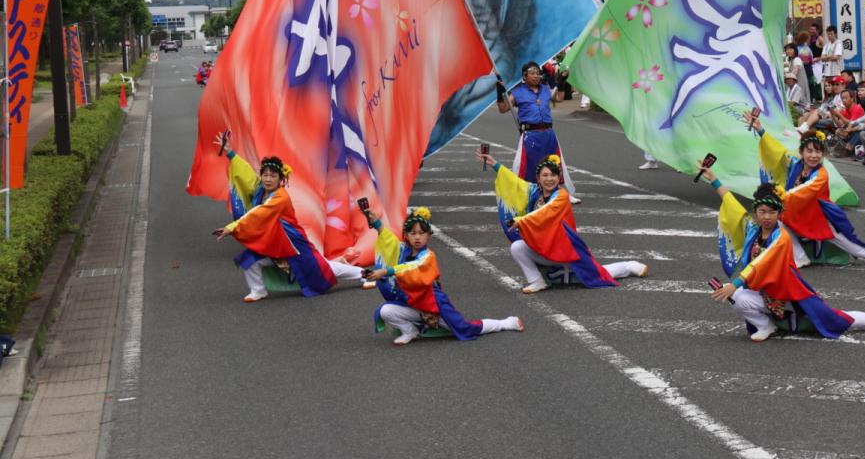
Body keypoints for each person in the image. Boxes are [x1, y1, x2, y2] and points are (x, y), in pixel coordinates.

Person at [699, 166, 865, 342]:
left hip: (790, 294)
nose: (766, 217)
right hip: (765, 293)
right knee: (738, 298)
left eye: (771, 212)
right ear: (756, 212)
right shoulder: (753, 230)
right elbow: (733, 206)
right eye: (761, 212)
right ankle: (766, 325)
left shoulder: (781, 238)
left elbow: (762, 262)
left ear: (780, 214)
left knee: (834, 320)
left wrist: (734, 283)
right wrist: (715, 181)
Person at [211, 135, 364, 302]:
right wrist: (230, 153)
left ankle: (364, 274)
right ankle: (258, 290)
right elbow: (246, 175)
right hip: (273, 241)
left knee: (321, 267)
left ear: (281, 179)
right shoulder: (261, 189)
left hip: (292, 242)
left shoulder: (280, 198)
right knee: (250, 260)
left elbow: (258, 213)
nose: (268, 179)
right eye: (265, 175)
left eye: (273, 176)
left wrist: (231, 228)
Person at [477, 149, 647, 293]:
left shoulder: (561, 196)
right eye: (545, 175)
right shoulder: (534, 191)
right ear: (538, 178)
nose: (549, 179)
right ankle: (537, 280)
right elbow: (515, 183)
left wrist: (520, 220)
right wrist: (495, 164)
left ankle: (629, 265)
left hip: (564, 249)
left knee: (594, 273)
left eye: (553, 175)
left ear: (559, 178)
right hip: (543, 246)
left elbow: (545, 212)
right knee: (517, 247)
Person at [748, 121, 865, 264]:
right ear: (802, 152)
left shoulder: (821, 175)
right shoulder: (796, 163)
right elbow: (778, 151)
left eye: (818, 152)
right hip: (800, 214)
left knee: (857, 249)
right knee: (777, 219)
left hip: (820, 218)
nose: (814, 156)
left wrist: (779, 195)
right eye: (810, 151)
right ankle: (800, 258)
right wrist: (761, 130)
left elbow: (801, 191)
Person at [364, 207, 523, 346]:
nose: (417, 237)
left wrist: (387, 271)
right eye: (413, 233)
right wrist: (376, 223)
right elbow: (388, 240)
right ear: (406, 236)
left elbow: (413, 267)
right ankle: (410, 330)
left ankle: (504, 323)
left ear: (428, 236)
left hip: (434, 306)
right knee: (385, 311)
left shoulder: (428, 256)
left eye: (421, 233)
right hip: (412, 304)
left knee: (465, 328)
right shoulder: (403, 251)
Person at [498, 61, 579, 202]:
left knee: (554, 163)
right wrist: (499, 93)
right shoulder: (518, 92)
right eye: (532, 73)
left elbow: (559, 98)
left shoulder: (545, 89)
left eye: (538, 73)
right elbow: (503, 108)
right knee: (528, 165)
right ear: (525, 76)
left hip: (548, 133)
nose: (536, 76)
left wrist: (562, 81)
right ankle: (526, 193)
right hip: (530, 134)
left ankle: (559, 193)